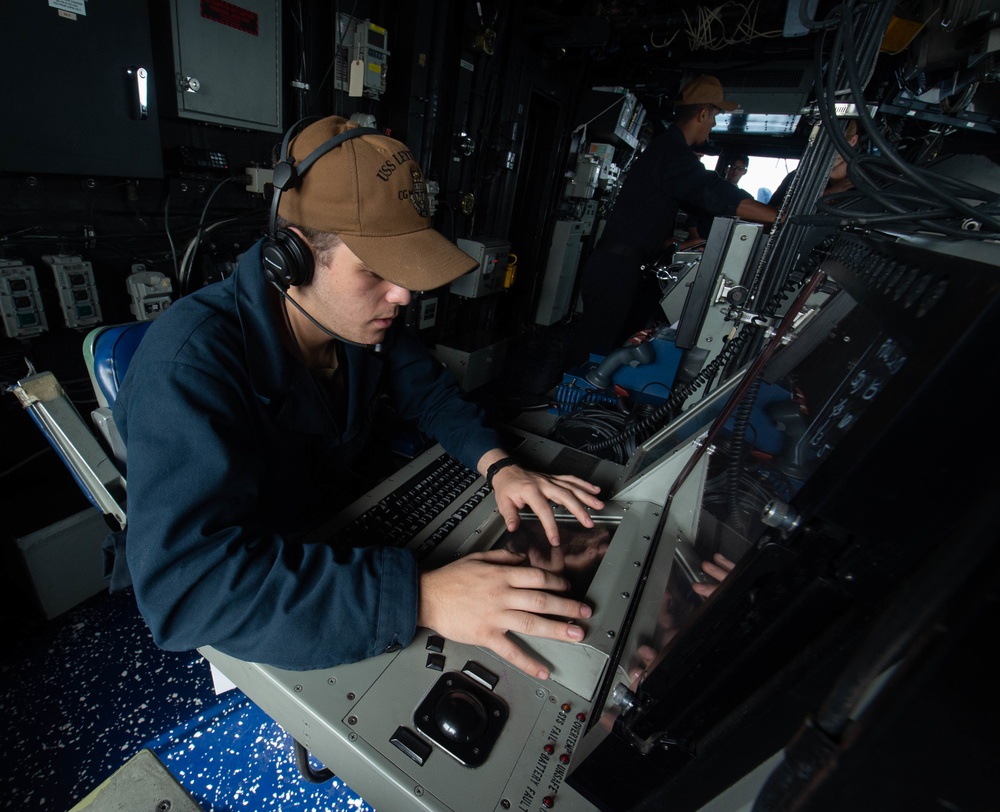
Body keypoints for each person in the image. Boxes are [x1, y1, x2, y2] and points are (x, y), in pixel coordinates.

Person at [109, 116, 607, 680]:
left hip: (335, 527)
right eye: (374, 270)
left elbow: (430, 393)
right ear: (291, 258)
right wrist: (421, 601)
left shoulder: (356, 321)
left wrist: (501, 468)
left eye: (404, 269)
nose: (402, 295)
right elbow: (187, 593)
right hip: (262, 585)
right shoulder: (188, 364)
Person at [569, 76, 778, 364]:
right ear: (703, 113)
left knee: (615, 346)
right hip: (616, 268)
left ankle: (592, 398)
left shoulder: (669, 149)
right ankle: (576, 402)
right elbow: (711, 191)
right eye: (714, 116)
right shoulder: (671, 152)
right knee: (596, 350)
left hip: (625, 266)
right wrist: (781, 219)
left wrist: (674, 239)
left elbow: (696, 202)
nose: (713, 124)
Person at [769, 120, 859, 211]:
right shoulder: (798, 178)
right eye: (824, 143)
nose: (830, 151)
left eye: (837, 143)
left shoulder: (868, 179)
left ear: (853, 141)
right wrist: (829, 193)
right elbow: (773, 217)